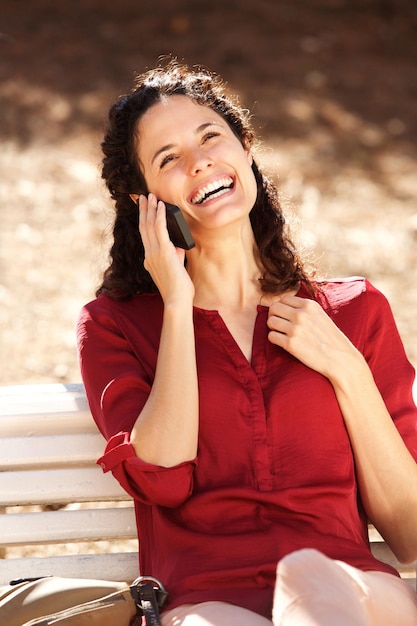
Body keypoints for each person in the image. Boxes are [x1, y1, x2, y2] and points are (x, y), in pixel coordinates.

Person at [76, 60, 417, 625]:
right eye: (169, 159)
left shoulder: (352, 312)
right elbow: (162, 475)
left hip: (349, 591)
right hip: (208, 603)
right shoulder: (117, 326)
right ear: (144, 201)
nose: (200, 161)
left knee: (320, 585)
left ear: (245, 147)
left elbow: (408, 533)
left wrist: (347, 371)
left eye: (211, 136)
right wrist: (178, 303)